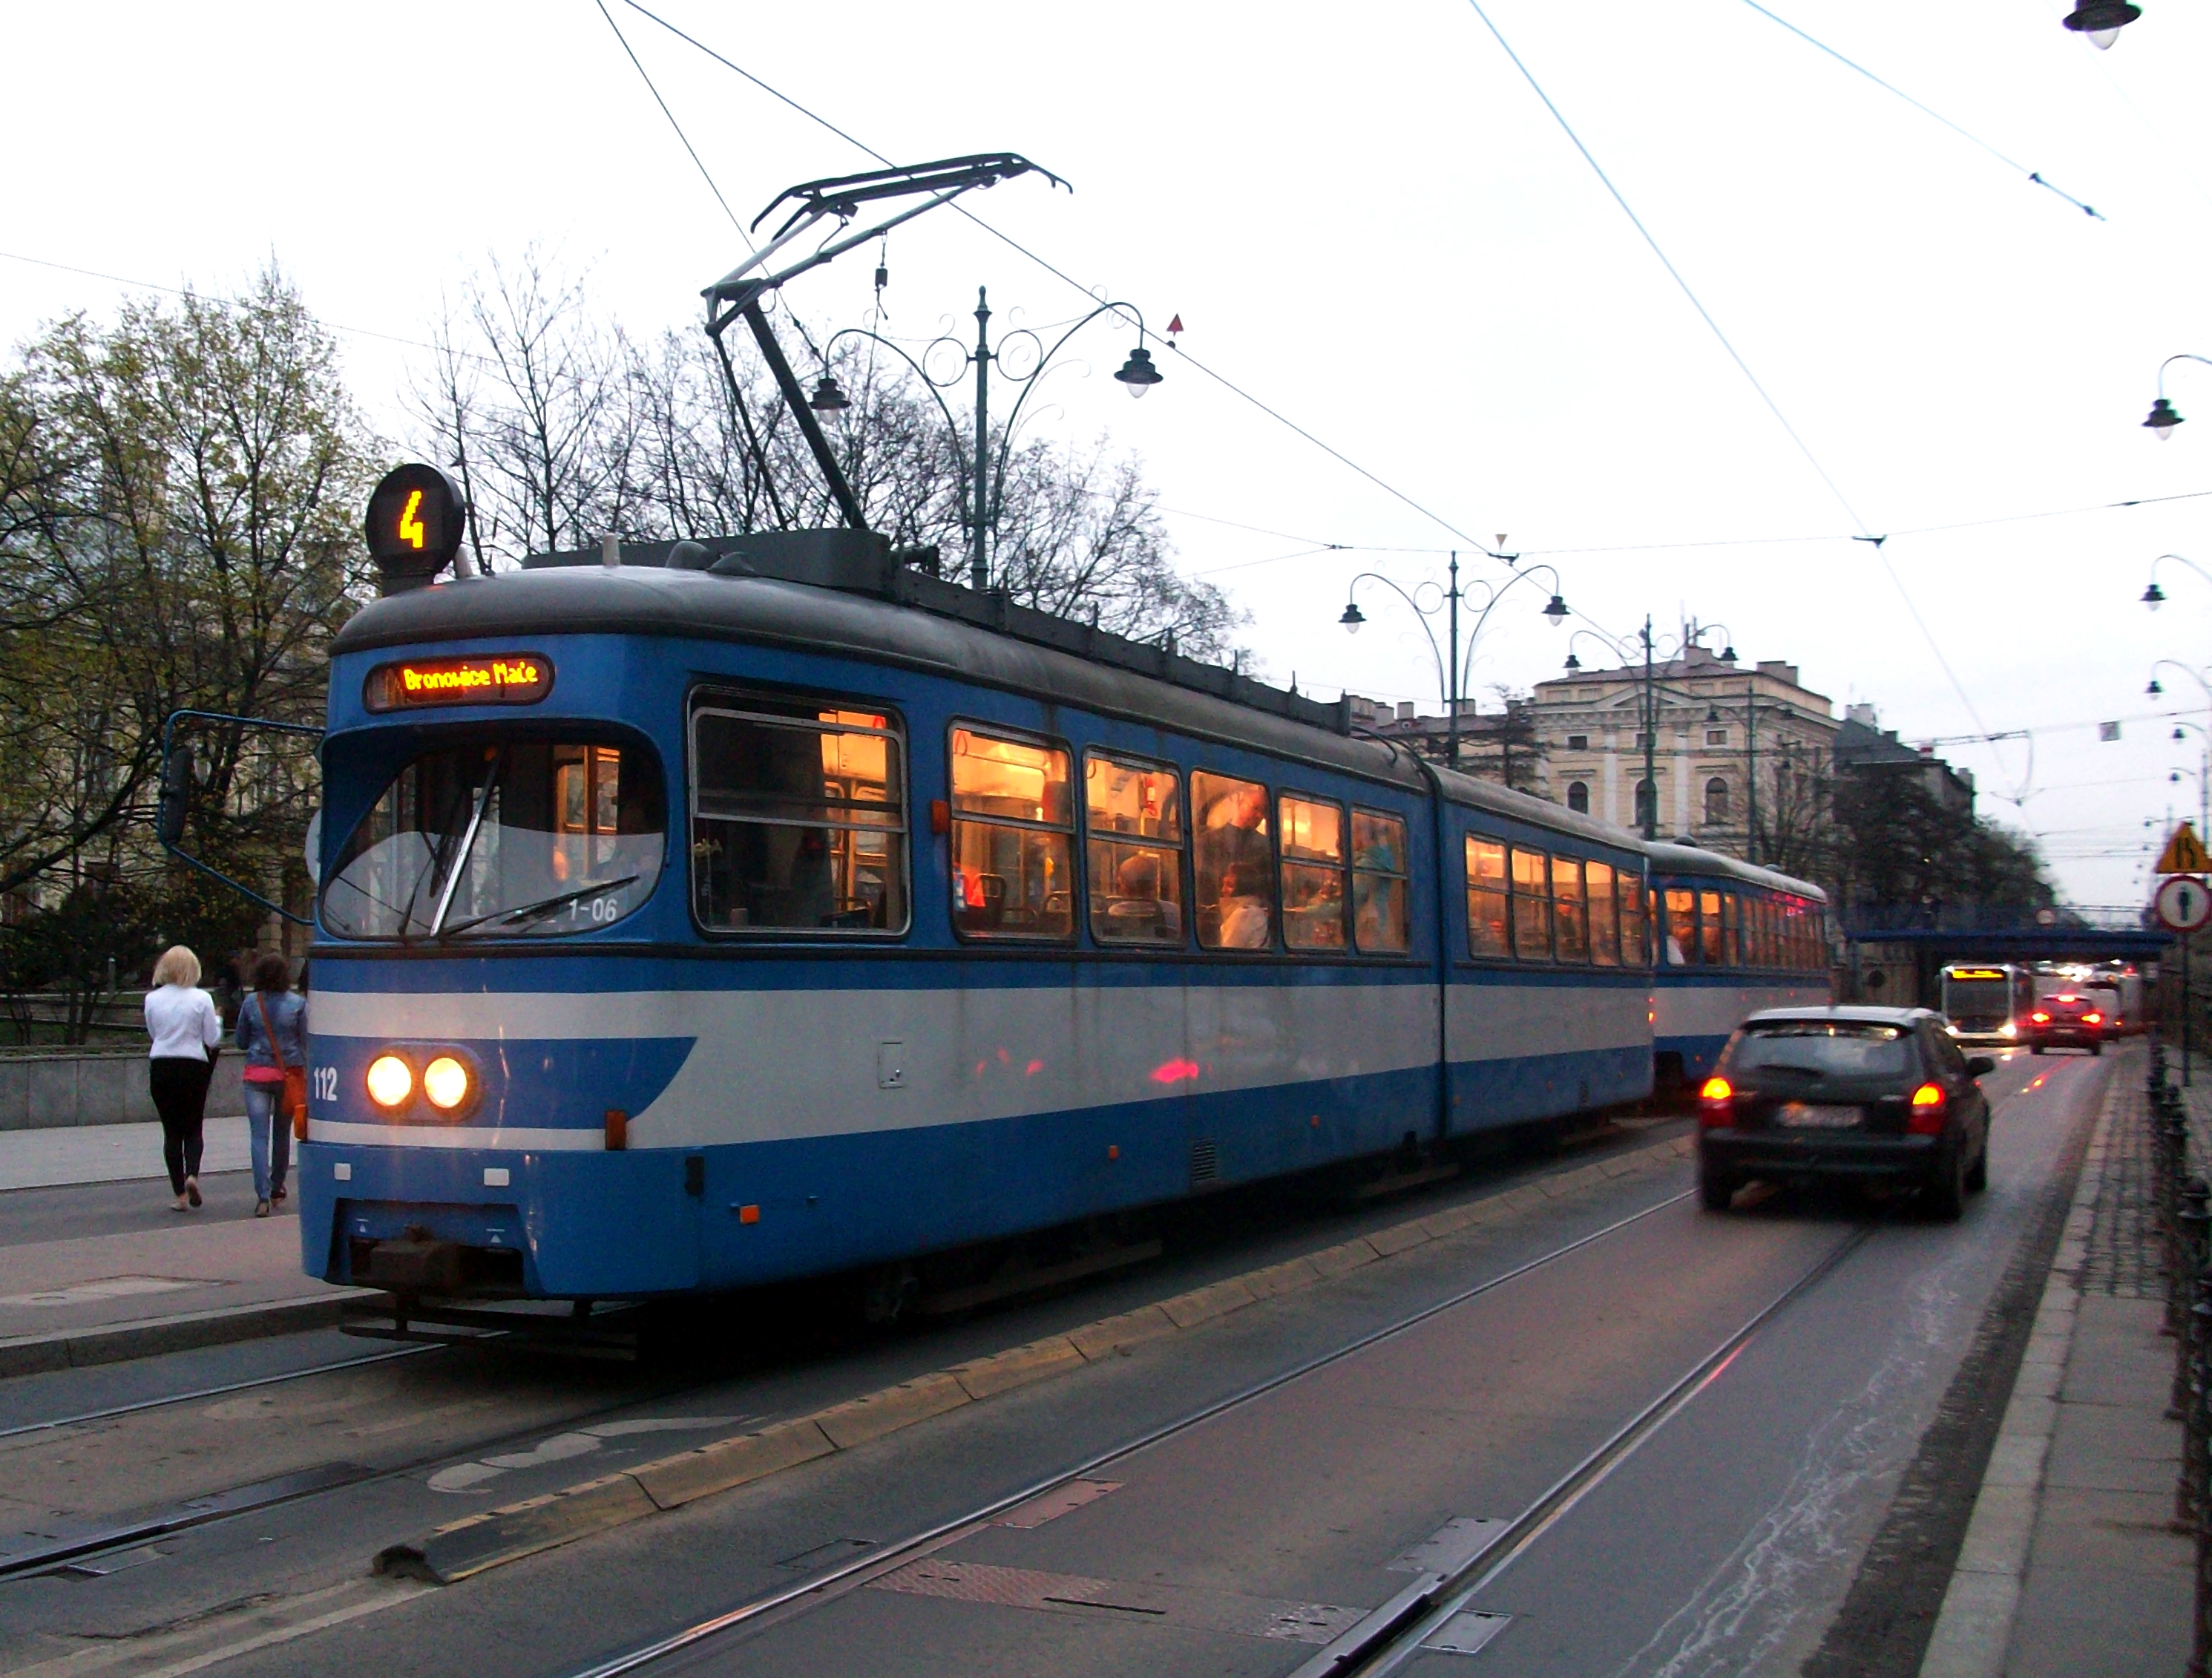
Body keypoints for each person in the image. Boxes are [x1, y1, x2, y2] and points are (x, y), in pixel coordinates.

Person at [144, 945, 220, 1212]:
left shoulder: (152, 1000)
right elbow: (212, 1039)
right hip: (193, 1066)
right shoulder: (202, 999)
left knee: (171, 1131)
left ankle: (179, 1195)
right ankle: (193, 1175)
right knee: (193, 1126)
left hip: (162, 1065)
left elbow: (154, 1034)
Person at [234, 953, 305, 1217]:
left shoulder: (252, 1003)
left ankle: (262, 1197)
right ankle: (277, 1187)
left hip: (256, 1076)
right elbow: (305, 1040)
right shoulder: (298, 1004)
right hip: (288, 1076)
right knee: (282, 1134)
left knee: (259, 1136)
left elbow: (240, 1040)